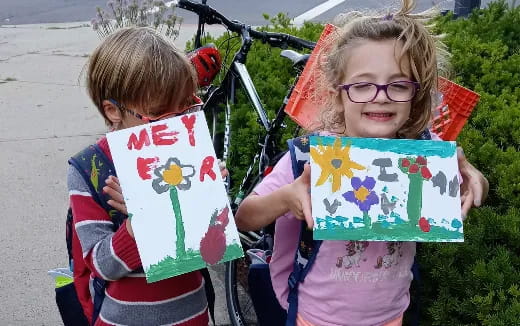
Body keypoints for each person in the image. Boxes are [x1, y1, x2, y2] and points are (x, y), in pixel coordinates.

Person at [234, 1, 488, 325]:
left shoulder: (423, 152)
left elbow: (472, 184)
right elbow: (245, 218)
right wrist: (288, 197)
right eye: (362, 85)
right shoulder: (310, 156)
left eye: (398, 85)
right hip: (315, 318)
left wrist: (474, 178)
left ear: (416, 95)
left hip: (392, 316)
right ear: (338, 93)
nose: (380, 95)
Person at [68, 27, 212, 325]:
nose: (175, 123)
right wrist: (140, 223)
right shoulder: (92, 170)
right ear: (113, 111)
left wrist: (211, 199)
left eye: (186, 107)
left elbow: (210, 249)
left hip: (193, 313)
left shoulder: (185, 153)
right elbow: (101, 266)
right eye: (160, 113)